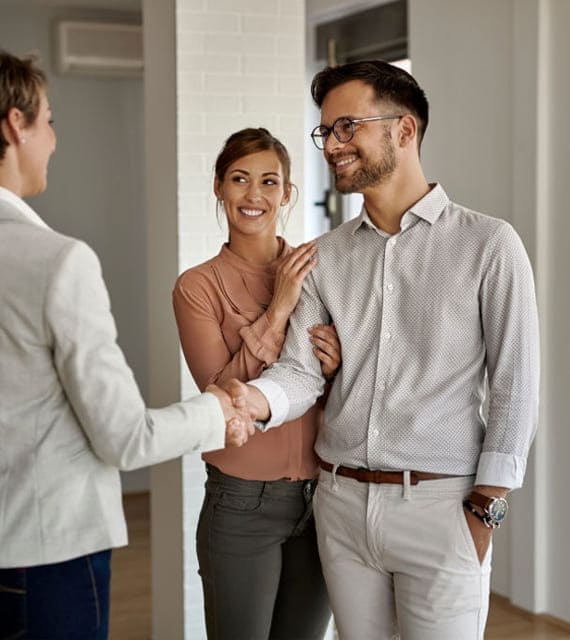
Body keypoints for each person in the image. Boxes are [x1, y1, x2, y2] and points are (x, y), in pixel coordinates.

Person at [222, 61, 540, 640]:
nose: (333, 145)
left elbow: (517, 383)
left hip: (442, 508)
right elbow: (299, 371)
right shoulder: (325, 256)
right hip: (340, 504)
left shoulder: (488, 245)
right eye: (326, 132)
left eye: (347, 127)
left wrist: (485, 509)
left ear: (404, 130)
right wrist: (255, 401)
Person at [0, 50, 253, 640]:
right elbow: (124, 437)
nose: (54, 142)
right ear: (16, 124)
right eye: (50, 121)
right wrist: (218, 411)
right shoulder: (57, 262)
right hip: (46, 557)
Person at [172, 127, 340, 640]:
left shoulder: (323, 268)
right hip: (242, 503)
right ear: (220, 187)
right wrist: (281, 304)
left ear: (287, 193)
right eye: (240, 179)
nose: (254, 195)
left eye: (269, 182)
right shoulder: (197, 287)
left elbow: (355, 382)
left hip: (325, 499)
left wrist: (337, 366)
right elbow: (221, 401)